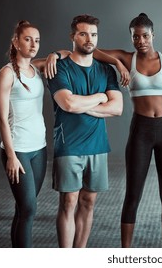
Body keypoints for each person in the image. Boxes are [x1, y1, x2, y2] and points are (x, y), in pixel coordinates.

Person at [93, 13, 162, 248]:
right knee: (132, 192)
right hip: (141, 130)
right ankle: (126, 251)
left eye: (145, 36)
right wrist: (116, 63)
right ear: (131, 37)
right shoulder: (126, 58)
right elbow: (92, 51)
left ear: (153, 35)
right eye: (136, 37)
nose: (141, 41)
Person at [47, 14, 123, 248]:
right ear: (73, 37)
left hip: (98, 146)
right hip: (69, 145)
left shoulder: (106, 70)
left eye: (93, 34)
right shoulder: (59, 67)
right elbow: (67, 104)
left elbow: (117, 108)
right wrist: (100, 97)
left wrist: (84, 104)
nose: (89, 39)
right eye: (83, 34)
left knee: (88, 202)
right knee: (69, 202)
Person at [0, 20, 68, 247]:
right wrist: (12, 157)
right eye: (28, 39)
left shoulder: (36, 67)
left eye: (37, 40)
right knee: (28, 208)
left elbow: (66, 53)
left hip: (39, 149)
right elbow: (1, 118)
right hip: (19, 151)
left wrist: (54, 54)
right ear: (15, 42)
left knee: (24, 209)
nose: (34, 44)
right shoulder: (6, 75)